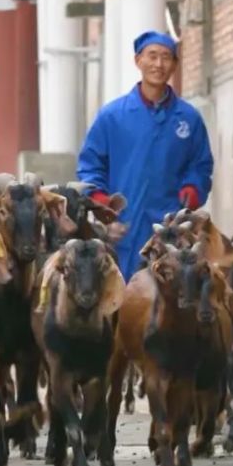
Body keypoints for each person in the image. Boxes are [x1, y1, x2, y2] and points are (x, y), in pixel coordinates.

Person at [76, 30, 214, 281]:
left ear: (175, 64)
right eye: (152, 56)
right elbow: (90, 167)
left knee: (174, 303)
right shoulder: (112, 116)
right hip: (124, 230)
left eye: (166, 57)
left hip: (172, 231)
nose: (158, 64)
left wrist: (193, 191)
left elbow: (200, 166)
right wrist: (104, 210)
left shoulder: (189, 119)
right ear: (138, 61)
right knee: (122, 306)